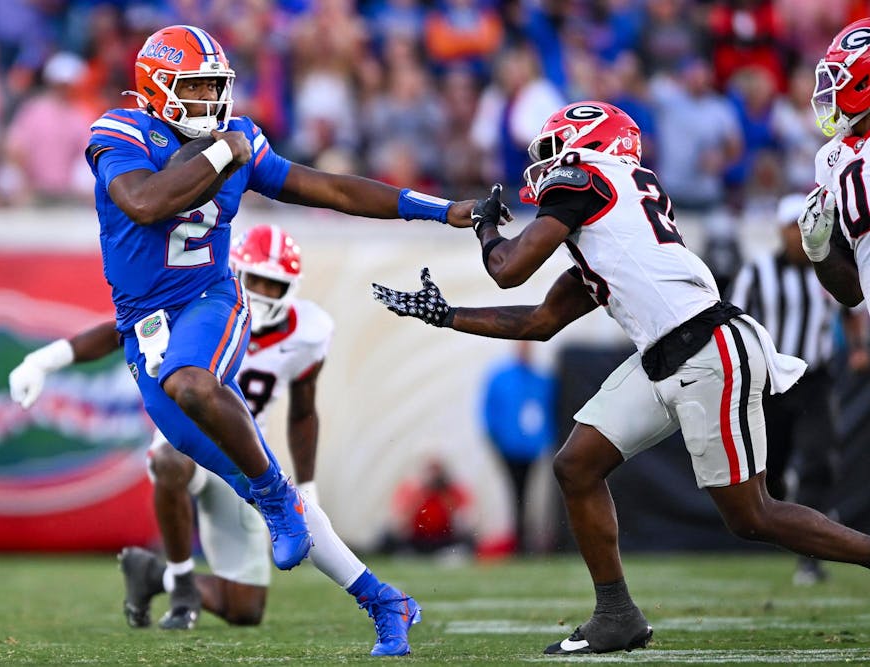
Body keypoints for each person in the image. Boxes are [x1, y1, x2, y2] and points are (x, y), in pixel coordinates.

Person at [373, 100, 870, 655]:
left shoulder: (585, 176)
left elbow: (508, 270)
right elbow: (539, 322)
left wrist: (485, 226)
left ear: (586, 143)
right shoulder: (611, 214)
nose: (547, 165)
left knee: (753, 516)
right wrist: (448, 315)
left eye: (553, 148)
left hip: (706, 346)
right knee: (576, 465)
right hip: (667, 353)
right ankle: (616, 614)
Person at [75, 23, 486, 655]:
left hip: (209, 299)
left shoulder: (241, 141)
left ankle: (275, 500)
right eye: (199, 86)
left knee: (196, 387)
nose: (214, 101)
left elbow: (332, 188)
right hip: (143, 328)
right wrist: (221, 154)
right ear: (156, 91)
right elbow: (146, 203)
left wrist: (433, 209)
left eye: (219, 86)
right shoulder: (121, 133)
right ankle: (385, 600)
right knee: (230, 460)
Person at [9, 224, 418, 655]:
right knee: (170, 456)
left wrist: (310, 485)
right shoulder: (195, 299)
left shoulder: (308, 331)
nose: (260, 292)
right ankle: (184, 579)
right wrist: (44, 360)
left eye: (272, 284)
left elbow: (302, 411)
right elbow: (118, 330)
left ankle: (159, 577)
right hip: (191, 437)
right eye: (253, 279)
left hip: (244, 448)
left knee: (246, 606)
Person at [729, 193, 869, 585]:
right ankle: (789, 494)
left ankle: (810, 558)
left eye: (803, 225)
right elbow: (733, 320)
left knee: (819, 460)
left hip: (814, 379)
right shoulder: (755, 272)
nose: (798, 234)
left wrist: (857, 350)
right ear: (780, 230)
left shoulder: (830, 273)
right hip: (769, 382)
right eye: (793, 226)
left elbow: (850, 312)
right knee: (766, 473)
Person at [797, 19, 870, 316]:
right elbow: (852, 293)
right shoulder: (831, 158)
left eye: (838, 79)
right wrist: (818, 250)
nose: (830, 92)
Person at [479, 340, 556, 554]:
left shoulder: (541, 379)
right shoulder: (501, 377)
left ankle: (523, 538)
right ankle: (519, 539)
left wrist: (544, 440)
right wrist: (495, 438)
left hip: (531, 449)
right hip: (508, 447)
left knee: (526, 492)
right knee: (516, 491)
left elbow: (548, 412)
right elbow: (489, 410)